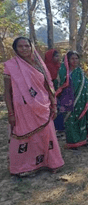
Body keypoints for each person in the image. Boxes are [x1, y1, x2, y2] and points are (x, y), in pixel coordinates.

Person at [3, 37, 64, 176]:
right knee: (25, 138)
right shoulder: (11, 66)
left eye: (27, 46)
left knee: (46, 135)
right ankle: (24, 167)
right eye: (20, 46)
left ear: (31, 47)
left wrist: (53, 105)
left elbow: (48, 86)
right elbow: (7, 92)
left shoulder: (39, 65)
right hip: (22, 110)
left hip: (43, 107)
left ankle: (51, 163)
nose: (24, 49)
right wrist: (10, 113)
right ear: (15, 49)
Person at [56, 51, 88, 149]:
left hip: (81, 100)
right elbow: (58, 86)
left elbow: (85, 85)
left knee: (81, 120)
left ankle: (82, 140)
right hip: (68, 101)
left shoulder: (80, 71)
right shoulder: (63, 72)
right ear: (67, 59)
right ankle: (73, 143)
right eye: (72, 58)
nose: (75, 60)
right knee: (70, 121)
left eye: (76, 58)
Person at [44, 49, 65, 133]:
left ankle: (61, 127)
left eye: (58, 56)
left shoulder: (59, 66)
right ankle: (56, 128)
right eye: (56, 56)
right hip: (51, 92)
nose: (58, 58)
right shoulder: (46, 68)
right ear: (50, 57)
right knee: (55, 109)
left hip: (61, 91)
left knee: (62, 109)